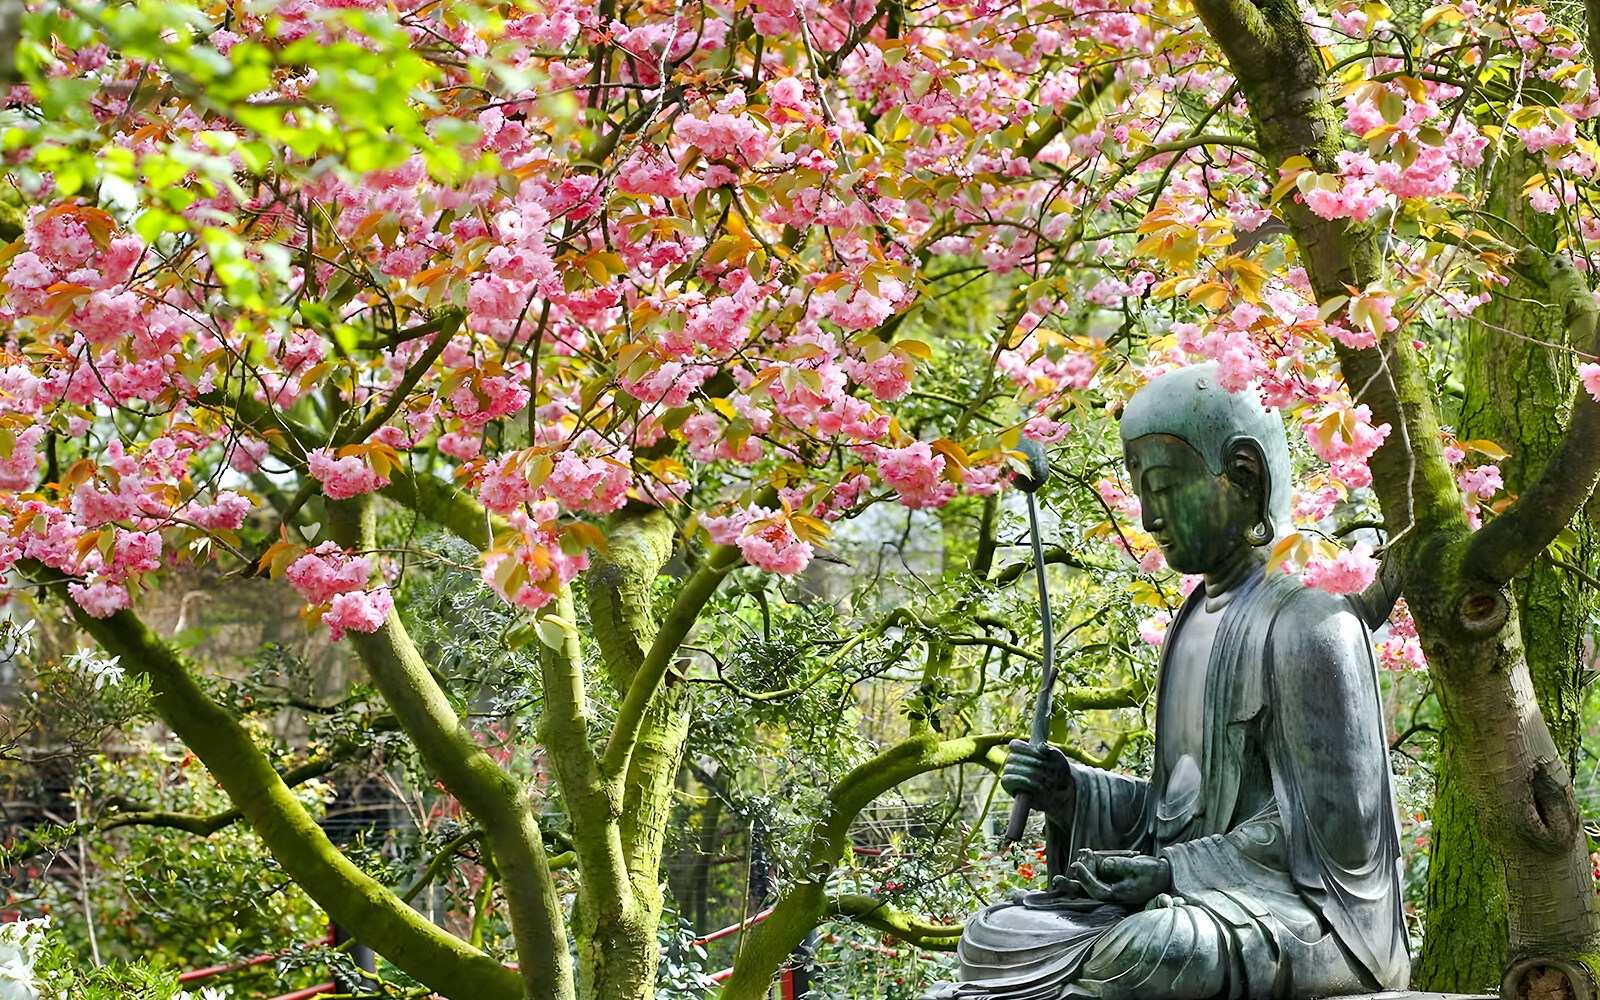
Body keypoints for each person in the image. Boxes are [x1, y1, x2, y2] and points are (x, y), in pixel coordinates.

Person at [926, 363, 1410, 1000]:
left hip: (1309, 921)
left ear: (1244, 476)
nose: (1150, 517)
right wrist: (1072, 792)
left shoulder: (1311, 622)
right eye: (1139, 491)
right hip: (1196, 900)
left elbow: (1339, 836)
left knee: (1157, 947)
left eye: (1165, 487)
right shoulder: (1191, 619)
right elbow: (1173, 808)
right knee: (995, 930)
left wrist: (1169, 872)